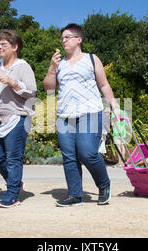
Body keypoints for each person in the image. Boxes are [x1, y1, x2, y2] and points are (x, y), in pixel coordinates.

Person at [43, 23, 120, 207]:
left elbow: (103, 85)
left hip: (90, 112)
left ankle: (103, 185)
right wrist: (52, 67)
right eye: (62, 38)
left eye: (67, 37)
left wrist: (114, 106)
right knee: (69, 156)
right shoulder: (59, 64)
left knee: (87, 152)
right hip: (64, 115)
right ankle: (75, 195)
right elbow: (49, 88)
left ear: (79, 39)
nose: (63, 41)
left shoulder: (92, 59)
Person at [0, 29, 36, 208]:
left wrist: (13, 83)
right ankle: (15, 182)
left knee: (13, 157)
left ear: (15, 47)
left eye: (4, 44)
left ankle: (12, 194)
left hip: (17, 117)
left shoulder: (23, 67)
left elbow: (32, 91)